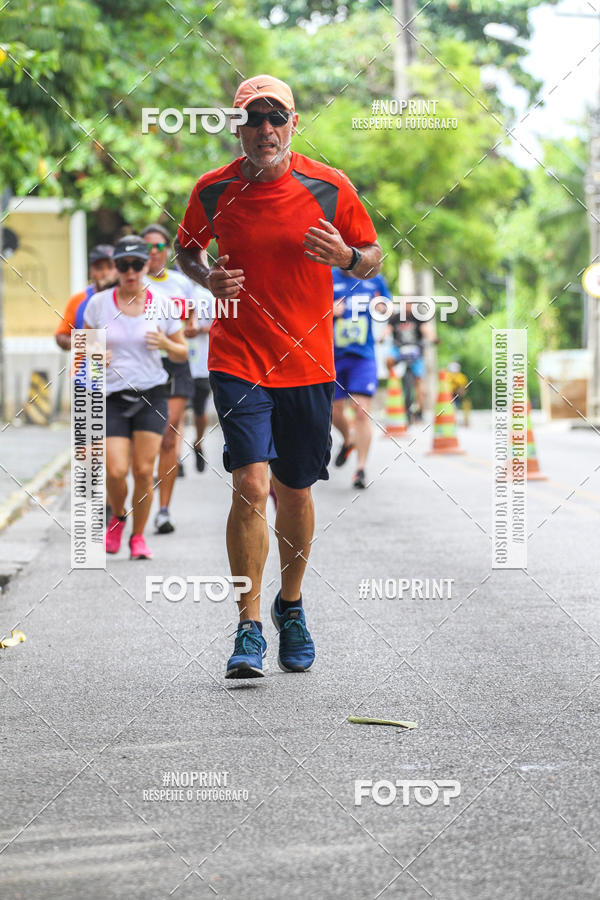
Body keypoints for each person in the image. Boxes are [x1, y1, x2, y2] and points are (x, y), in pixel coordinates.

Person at [175, 74, 382, 679]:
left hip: (308, 364)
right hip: (237, 359)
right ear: (235, 125)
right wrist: (204, 276)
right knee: (252, 486)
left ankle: (290, 605)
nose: (265, 129)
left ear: (293, 123)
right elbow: (187, 249)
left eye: (276, 118)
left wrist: (346, 258)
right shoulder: (213, 191)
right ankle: (247, 626)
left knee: (295, 489)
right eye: (252, 118)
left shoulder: (329, 187)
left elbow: (372, 255)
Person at [83, 236, 187, 560]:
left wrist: (166, 345)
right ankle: (118, 517)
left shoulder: (163, 304)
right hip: (112, 395)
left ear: (146, 266)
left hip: (151, 394)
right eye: (123, 265)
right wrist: (96, 356)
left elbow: (182, 353)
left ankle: (138, 537)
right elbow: (83, 350)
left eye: (136, 265)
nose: (130, 272)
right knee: (114, 470)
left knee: (144, 471)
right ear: (116, 267)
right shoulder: (99, 304)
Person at [140, 224, 198, 533]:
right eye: (147, 246)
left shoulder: (180, 283)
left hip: (174, 363)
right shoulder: (132, 281)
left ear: (167, 250)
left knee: (168, 436)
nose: (153, 252)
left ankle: (163, 510)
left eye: (159, 246)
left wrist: (187, 329)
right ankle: (135, 496)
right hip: (141, 365)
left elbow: (190, 316)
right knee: (144, 441)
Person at [331, 266, 391, 489]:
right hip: (333, 356)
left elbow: (386, 306)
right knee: (333, 411)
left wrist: (382, 307)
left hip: (363, 356)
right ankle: (348, 439)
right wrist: (328, 310)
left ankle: (360, 470)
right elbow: (306, 308)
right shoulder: (327, 276)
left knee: (361, 410)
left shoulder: (374, 279)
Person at [55, 245, 116, 350]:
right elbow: (61, 336)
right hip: (87, 363)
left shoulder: (128, 299)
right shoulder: (78, 300)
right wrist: (77, 342)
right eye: (99, 268)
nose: (105, 273)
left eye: (110, 267)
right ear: (90, 272)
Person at [384, 300, 437, 420]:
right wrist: (382, 337)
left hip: (415, 351)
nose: (407, 306)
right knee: (388, 360)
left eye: (409, 304)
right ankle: (393, 382)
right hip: (399, 350)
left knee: (419, 381)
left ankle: (419, 410)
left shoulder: (418, 318)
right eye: (405, 304)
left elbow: (426, 329)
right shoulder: (396, 318)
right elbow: (387, 329)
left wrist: (433, 338)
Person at [183, 286, 215, 472]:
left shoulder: (208, 295)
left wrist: (200, 328)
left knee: (199, 411)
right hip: (179, 363)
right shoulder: (176, 289)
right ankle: (175, 456)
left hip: (202, 364)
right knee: (176, 411)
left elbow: (221, 324)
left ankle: (198, 443)